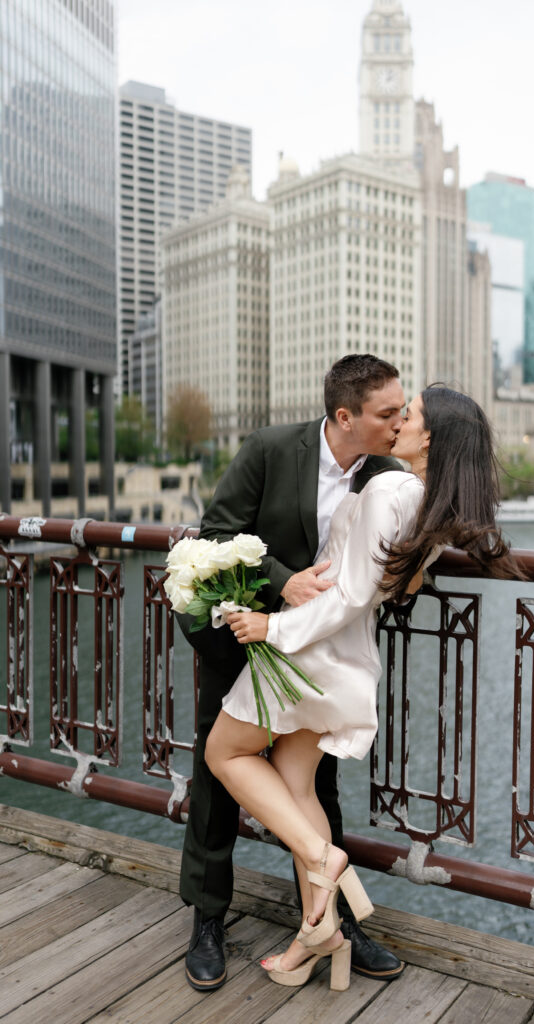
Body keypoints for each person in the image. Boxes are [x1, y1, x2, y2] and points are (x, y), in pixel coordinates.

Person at [205, 385, 521, 991]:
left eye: (413, 415)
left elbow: (349, 594)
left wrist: (274, 624)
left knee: (225, 752)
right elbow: (392, 588)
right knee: (296, 787)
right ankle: (319, 934)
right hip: (347, 663)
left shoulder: (390, 489)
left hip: (310, 653)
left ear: (430, 437)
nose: (402, 420)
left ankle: (325, 860)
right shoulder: (429, 505)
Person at [178, 354, 407, 991]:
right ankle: (207, 920)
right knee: (217, 782)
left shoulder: (388, 472)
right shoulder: (271, 448)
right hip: (247, 643)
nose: (398, 421)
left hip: (320, 659)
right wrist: (284, 583)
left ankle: (332, 921)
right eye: (387, 412)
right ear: (344, 416)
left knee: (316, 788)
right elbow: (218, 535)